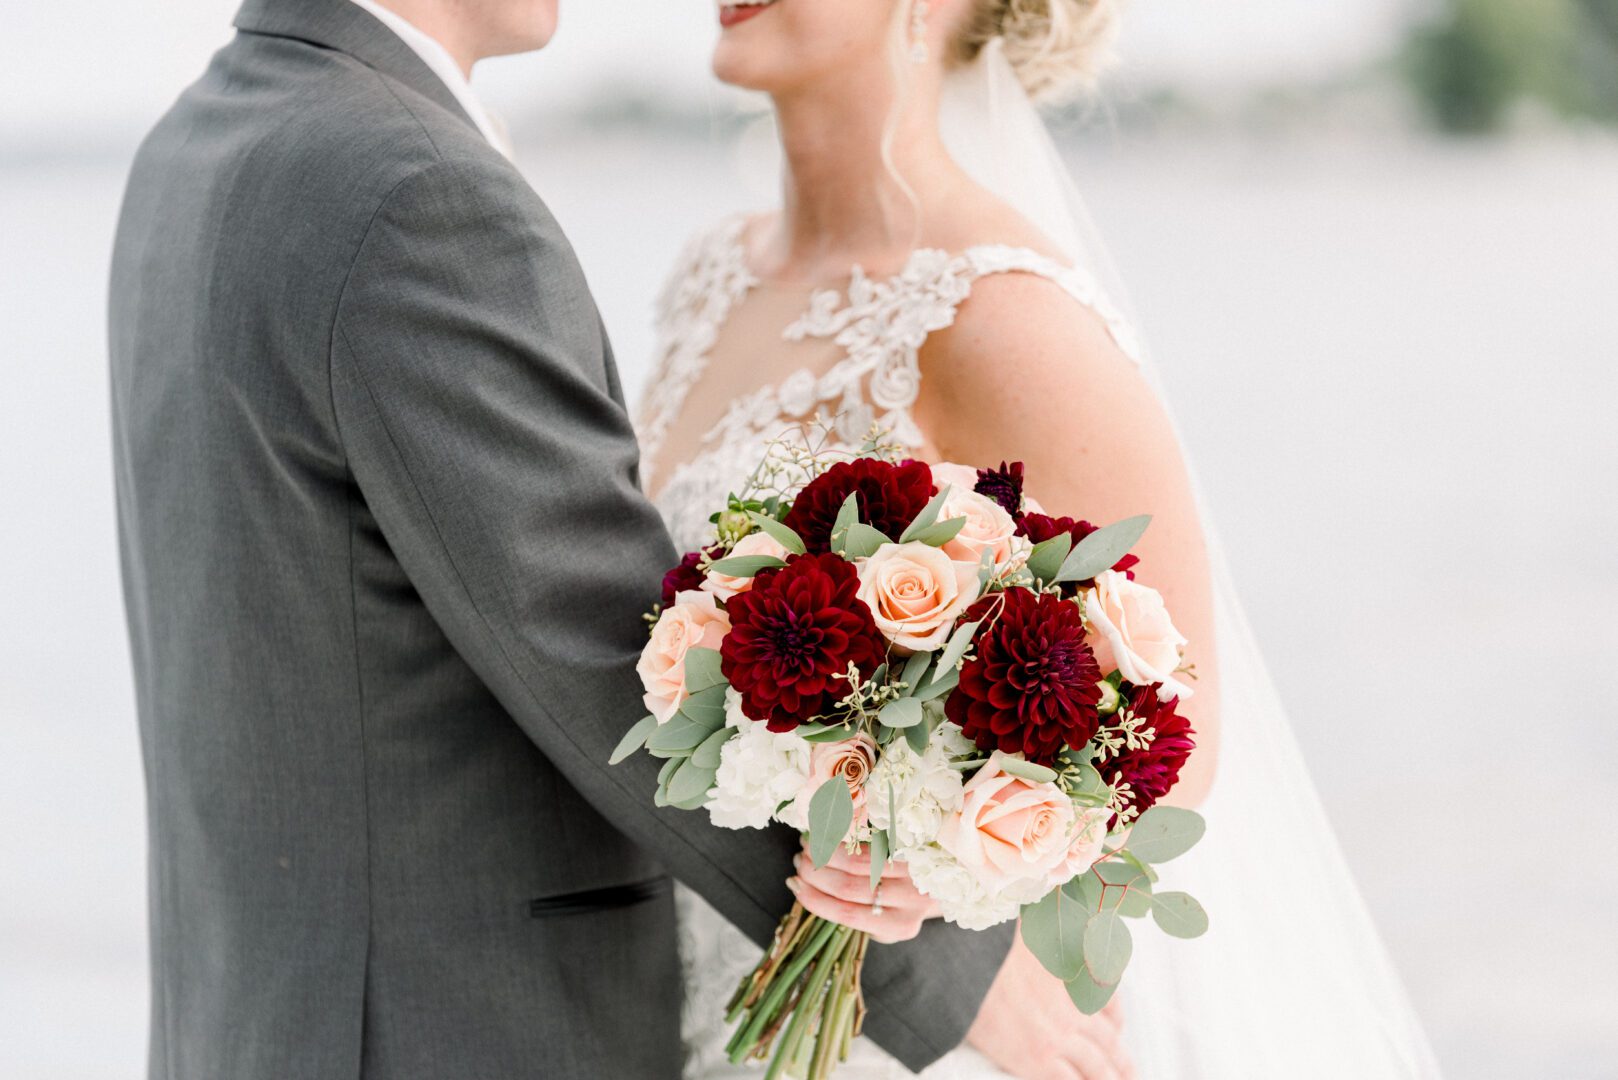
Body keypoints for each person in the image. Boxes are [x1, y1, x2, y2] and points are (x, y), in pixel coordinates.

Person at [106, 0, 1020, 1076]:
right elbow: (602, 652)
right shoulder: (409, 188)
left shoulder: (197, 141)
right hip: (448, 1030)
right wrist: (939, 968)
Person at [640, 1, 1444, 1077]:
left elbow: (1177, 722)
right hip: (692, 978)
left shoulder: (999, 312)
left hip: (898, 1020)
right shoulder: (709, 275)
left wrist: (928, 849)